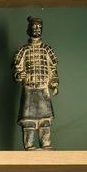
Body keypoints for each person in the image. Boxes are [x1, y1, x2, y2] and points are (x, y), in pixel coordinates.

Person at [12, 17, 59, 150]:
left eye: (39, 27)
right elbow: (17, 70)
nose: (36, 29)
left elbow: (52, 69)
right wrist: (18, 75)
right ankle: (29, 145)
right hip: (29, 89)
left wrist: (54, 83)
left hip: (43, 90)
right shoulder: (23, 50)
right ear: (28, 29)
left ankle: (46, 145)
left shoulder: (47, 50)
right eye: (34, 27)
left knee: (45, 121)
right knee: (29, 122)